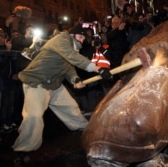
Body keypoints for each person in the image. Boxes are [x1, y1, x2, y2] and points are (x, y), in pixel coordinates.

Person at [12, 24, 112, 166]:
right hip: (37, 83)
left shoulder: (69, 48)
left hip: (54, 85)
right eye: (81, 36)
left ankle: (87, 131)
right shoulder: (61, 39)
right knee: (33, 117)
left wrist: (75, 79)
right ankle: (23, 150)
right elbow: (72, 57)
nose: (82, 40)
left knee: (72, 109)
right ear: (72, 35)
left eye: (84, 38)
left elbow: (68, 67)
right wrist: (99, 69)